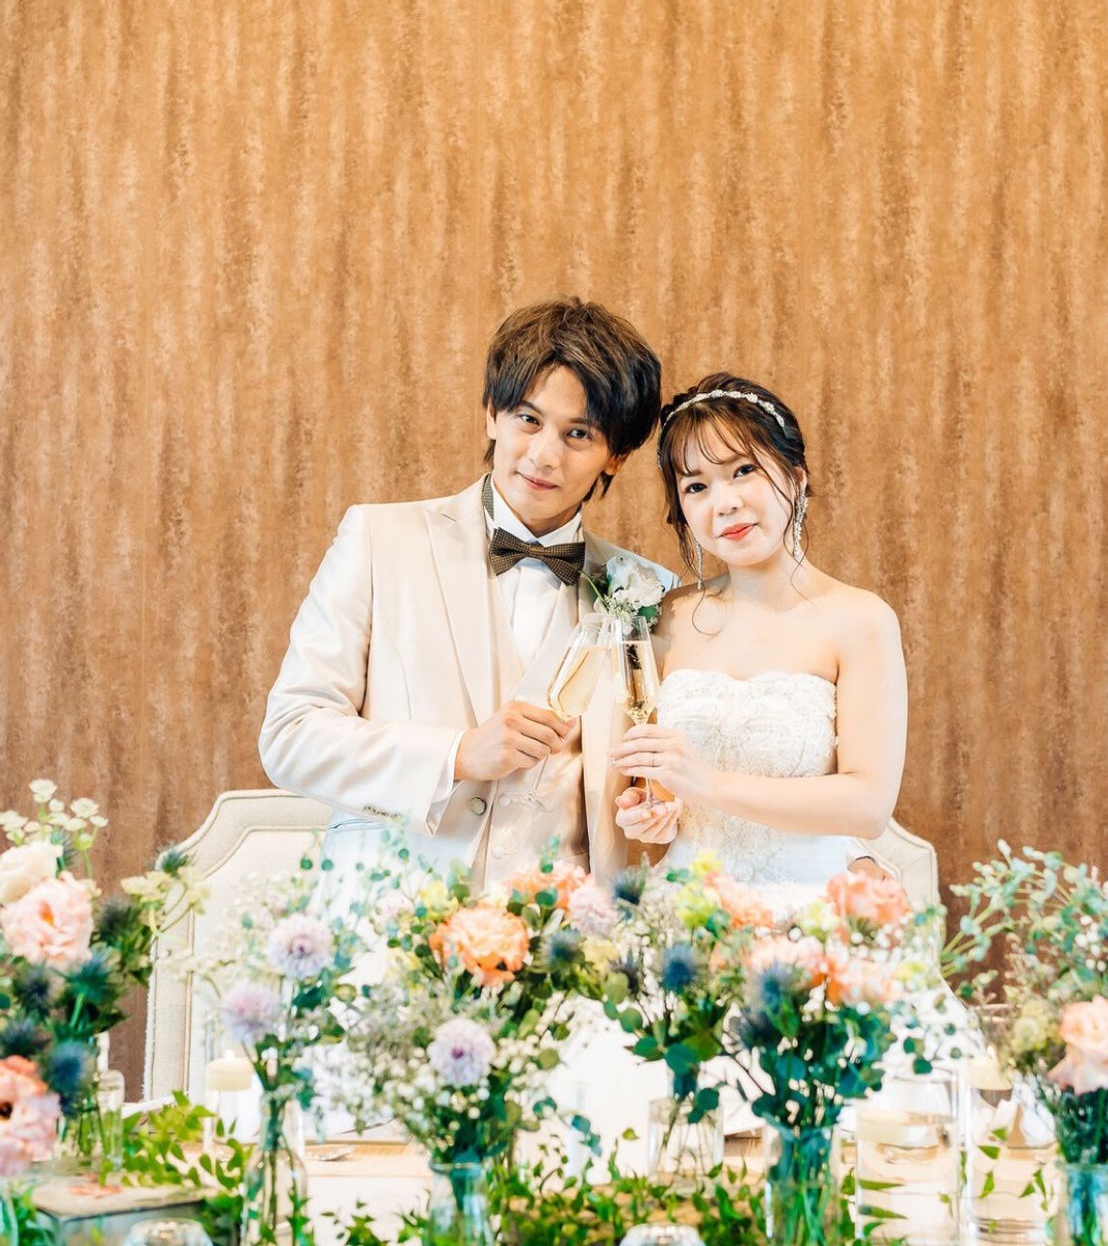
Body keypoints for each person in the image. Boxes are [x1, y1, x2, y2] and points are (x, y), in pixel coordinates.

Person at [259, 298, 677, 890]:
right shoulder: (379, 539)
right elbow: (291, 737)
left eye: (578, 434)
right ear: (491, 414)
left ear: (617, 456)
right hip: (393, 917)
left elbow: (650, 783)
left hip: (566, 929)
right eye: (528, 419)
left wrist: (653, 811)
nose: (543, 455)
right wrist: (456, 754)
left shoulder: (649, 591)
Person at [610, 372, 908, 900]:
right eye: (696, 487)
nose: (723, 503)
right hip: (682, 911)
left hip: (805, 913)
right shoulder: (665, 618)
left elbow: (868, 806)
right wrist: (651, 816)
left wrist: (711, 786)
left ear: (795, 477)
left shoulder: (861, 620)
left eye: (743, 471)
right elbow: (657, 790)